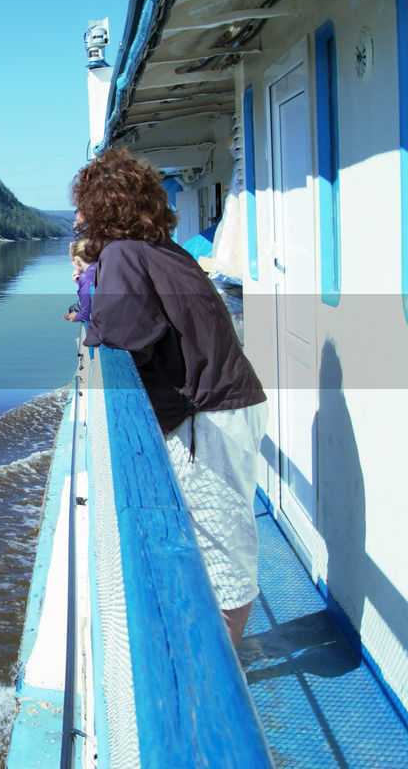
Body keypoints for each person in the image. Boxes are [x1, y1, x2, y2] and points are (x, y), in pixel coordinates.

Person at [71, 147, 267, 648]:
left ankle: (220, 676)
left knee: (226, 558)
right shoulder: (165, 249)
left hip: (212, 415)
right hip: (226, 405)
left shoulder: (121, 254)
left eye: (82, 209)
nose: (76, 220)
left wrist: (91, 328)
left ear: (100, 209)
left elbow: (127, 329)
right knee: (218, 541)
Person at [63, 239, 96, 323]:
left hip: (103, 327)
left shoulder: (86, 277)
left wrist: (74, 317)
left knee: (85, 321)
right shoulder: (99, 267)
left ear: (77, 261)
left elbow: (85, 313)